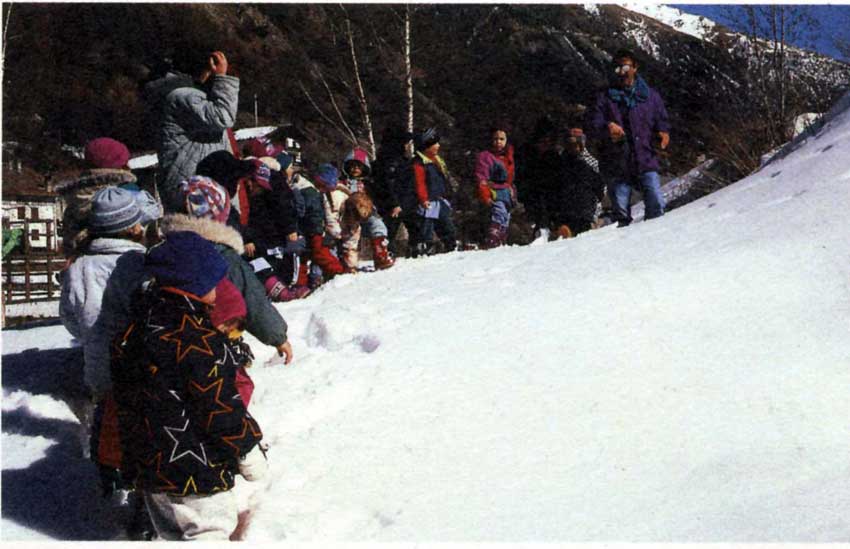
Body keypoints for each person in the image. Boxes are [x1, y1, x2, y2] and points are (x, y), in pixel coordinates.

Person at [111, 231, 267, 541]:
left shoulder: (135, 329)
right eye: (214, 282)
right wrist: (248, 449)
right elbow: (219, 408)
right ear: (194, 285)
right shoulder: (201, 343)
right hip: (196, 471)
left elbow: (124, 395)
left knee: (171, 535)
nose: (220, 289)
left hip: (151, 468)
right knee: (207, 534)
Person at [161, 176, 294, 362]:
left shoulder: (163, 250)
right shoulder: (223, 256)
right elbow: (252, 299)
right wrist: (278, 337)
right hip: (214, 341)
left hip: (169, 340)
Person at [144, 49, 239, 212]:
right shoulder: (183, 96)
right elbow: (223, 117)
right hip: (195, 186)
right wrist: (222, 79)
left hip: (192, 179)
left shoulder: (180, 94)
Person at [586, 48, 670, 226]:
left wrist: (663, 133)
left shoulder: (650, 96)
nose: (621, 73)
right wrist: (607, 127)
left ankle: (656, 241)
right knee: (621, 212)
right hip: (617, 162)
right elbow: (593, 124)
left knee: (655, 201)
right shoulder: (604, 98)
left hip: (645, 157)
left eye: (625, 67)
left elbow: (662, 119)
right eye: (617, 69)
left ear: (635, 67)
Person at [339, 147, 395, 269]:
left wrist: (389, 205)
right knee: (350, 237)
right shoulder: (343, 183)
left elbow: (380, 195)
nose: (355, 169)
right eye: (352, 166)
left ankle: (381, 253)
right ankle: (349, 262)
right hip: (350, 214)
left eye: (359, 167)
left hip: (368, 212)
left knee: (378, 226)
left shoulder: (368, 184)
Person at [411, 128, 457, 256]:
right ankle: (425, 246)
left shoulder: (437, 160)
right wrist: (423, 199)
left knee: (446, 223)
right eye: (435, 143)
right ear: (426, 146)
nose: (438, 146)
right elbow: (419, 183)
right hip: (428, 201)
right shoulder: (419, 163)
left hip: (439, 198)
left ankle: (451, 244)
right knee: (427, 225)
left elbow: (444, 178)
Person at [515, 116, 563, 240]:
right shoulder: (526, 152)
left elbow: (559, 177)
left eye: (549, 140)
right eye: (543, 140)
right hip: (531, 193)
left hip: (551, 195)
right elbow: (521, 175)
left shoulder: (553, 155)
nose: (546, 143)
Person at [551, 130, 605, 238]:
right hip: (568, 209)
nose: (574, 148)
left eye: (576, 145)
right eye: (571, 145)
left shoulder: (590, 163)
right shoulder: (560, 164)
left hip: (583, 210)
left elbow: (600, 188)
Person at [371, 128, 414, 256]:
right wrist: (395, 203)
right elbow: (388, 184)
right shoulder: (390, 161)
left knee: (413, 228)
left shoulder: (397, 159)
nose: (407, 146)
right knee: (389, 231)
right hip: (392, 204)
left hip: (400, 202)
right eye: (405, 142)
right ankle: (386, 255)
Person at [474, 124, 517, 248]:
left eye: (501, 139)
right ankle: (493, 240)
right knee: (499, 213)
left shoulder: (508, 155)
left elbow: (510, 177)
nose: (498, 142)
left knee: (505, 218)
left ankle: (501, 240)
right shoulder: (486, 157)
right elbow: (482, 178)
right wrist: (485, 195)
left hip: (507, 193)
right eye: (495, 139)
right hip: (493, 191)